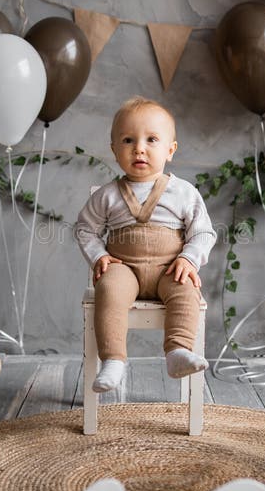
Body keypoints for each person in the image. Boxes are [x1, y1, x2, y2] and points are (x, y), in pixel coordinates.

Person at [75, 96, 217, 393]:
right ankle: (113, 360)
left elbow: (204, 233)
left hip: (170, 269)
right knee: (109, 290)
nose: (139, 148)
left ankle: (177, 351)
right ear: (114, 150)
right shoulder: (108, 194)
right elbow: (85, 229)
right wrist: (98, 255)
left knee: (186, 290)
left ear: (170, 150)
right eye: (128, 140)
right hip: (124, 268)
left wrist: (189, 258)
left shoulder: (183, 192)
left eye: (152, 139)